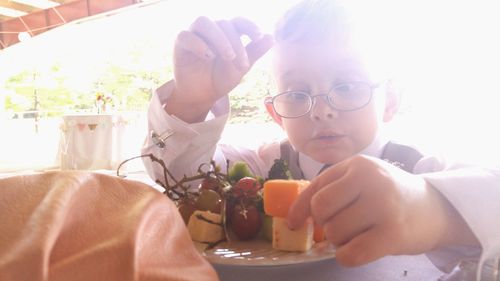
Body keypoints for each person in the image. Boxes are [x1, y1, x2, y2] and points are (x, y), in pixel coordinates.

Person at [142, 0, 500, 279]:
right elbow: (182, 175)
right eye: (297, 93)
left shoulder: (420, 169)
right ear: (277, 114)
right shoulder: (262, 168)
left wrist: (434, 209)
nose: (321, 111)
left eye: (346, 86)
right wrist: (191, 102)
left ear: (389, 100)